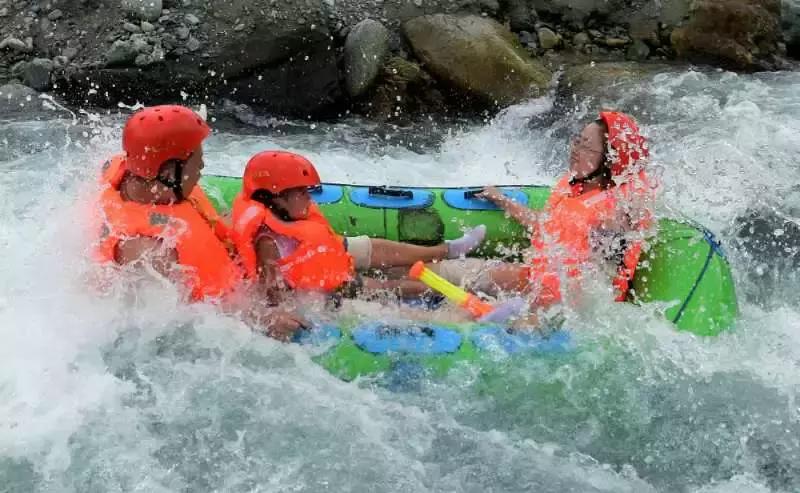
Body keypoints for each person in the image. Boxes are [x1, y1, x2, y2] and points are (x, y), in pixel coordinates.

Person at [92, 105, 306, 340]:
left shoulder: (137, 173)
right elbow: (187, 321)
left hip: (231, 268)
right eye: (197, 159)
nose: (202, 167)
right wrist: (263, 320)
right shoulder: (149, 250)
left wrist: (263, 250)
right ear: (169, 171)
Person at [430, 110, 656, 315]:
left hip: (561, 307)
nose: (575, 150)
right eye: (577, 141)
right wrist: (501, 200)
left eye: (586, 146)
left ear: (609, 160)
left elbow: (592, 285)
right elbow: (547, 226)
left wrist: (531, 308)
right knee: (440, 273)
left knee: (458, 312)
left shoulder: (616, 213)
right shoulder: (574, 188)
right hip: (535, 278)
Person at [230, 150, 487, 307]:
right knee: (399, 287)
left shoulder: (285, 217)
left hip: (328, 258)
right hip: (326, 287)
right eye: (300, 192)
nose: (309, 198)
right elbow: (271, 288)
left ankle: (448, 249)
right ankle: (467, 298)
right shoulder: (267, 241)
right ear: (275, 197)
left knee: (372, 247)